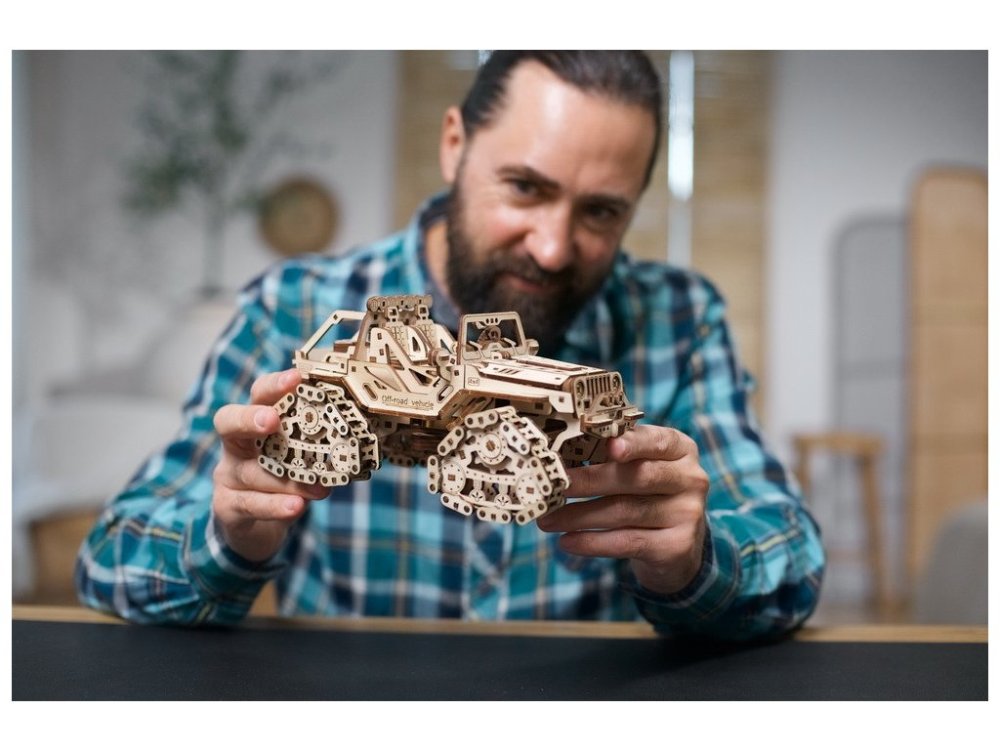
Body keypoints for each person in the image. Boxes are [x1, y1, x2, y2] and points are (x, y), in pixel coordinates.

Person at [76, 51, 824, 639]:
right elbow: (112, 559)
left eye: (599, 211)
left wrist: (692, 559)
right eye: (526, 188)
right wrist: (230, 535)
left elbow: (791, 558)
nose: (553, 247)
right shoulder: (292, 306)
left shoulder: (680, 318)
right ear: (454, 145)